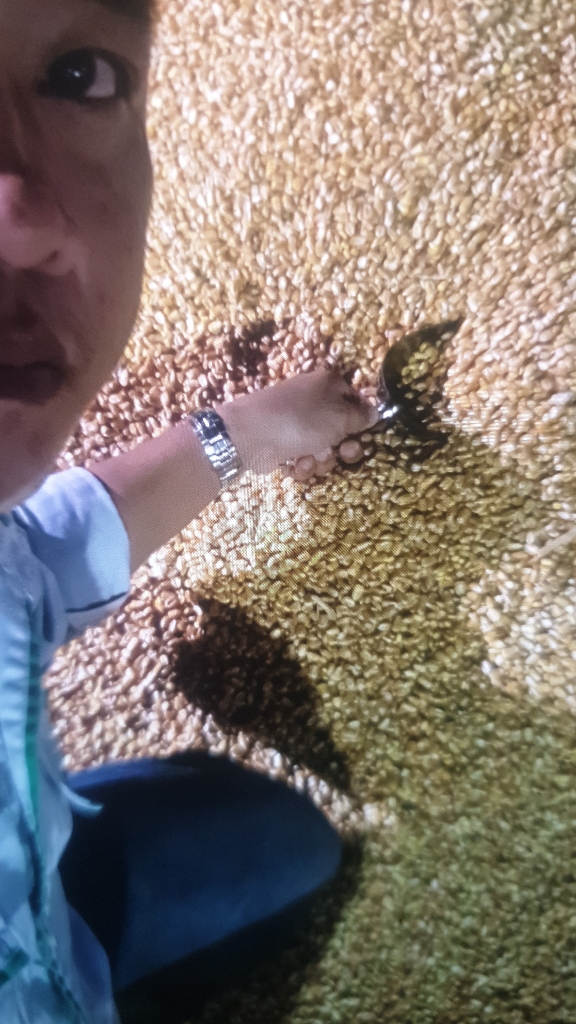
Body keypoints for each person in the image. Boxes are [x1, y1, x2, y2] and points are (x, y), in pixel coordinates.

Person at [0, 0, 380, 1021]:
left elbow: (27, 560)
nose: (21, 220)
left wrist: (239, 433)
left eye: (79, 75)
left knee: (297, 845)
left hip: (54, 921)